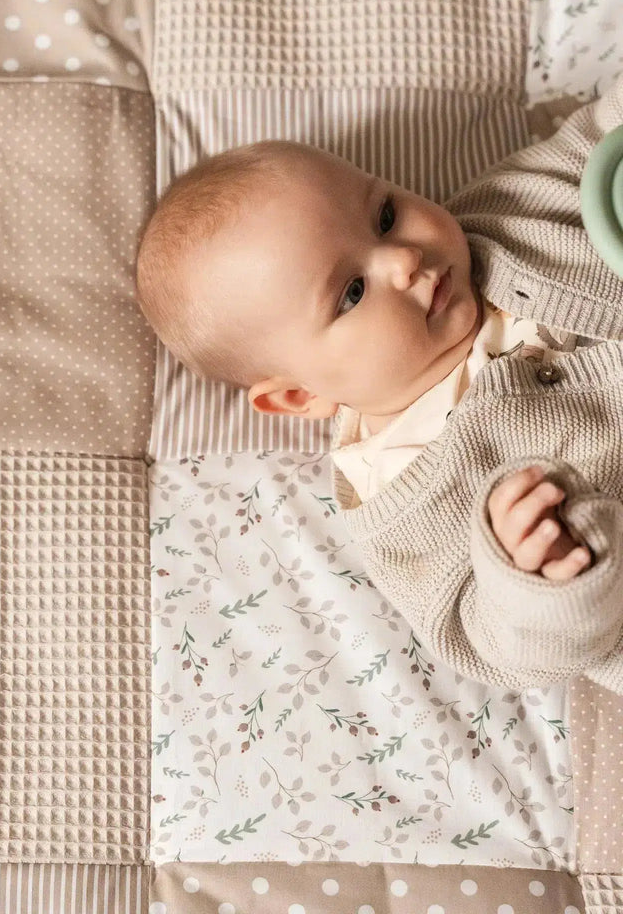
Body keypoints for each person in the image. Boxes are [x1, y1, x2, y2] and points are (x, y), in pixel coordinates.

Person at [136, 75, 623, 692]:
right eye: (352, 293)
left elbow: (597, 143)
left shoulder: (503, 215)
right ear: (299, 396)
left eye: (386, 215)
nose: (403, 258)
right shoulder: (404, 498)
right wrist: (530, 579)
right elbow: (490, 645)